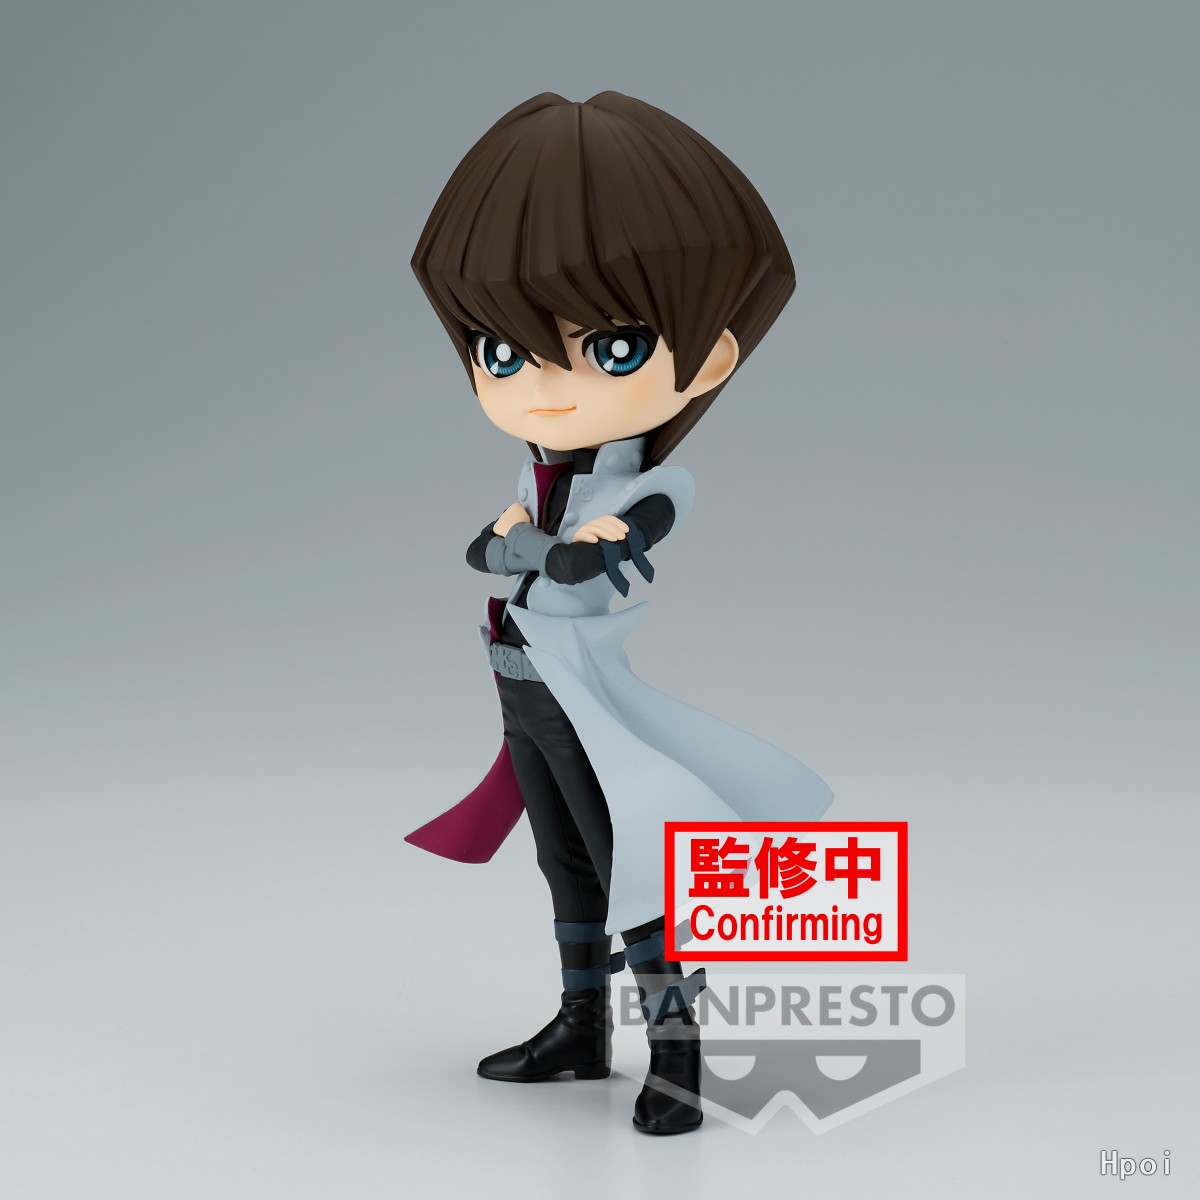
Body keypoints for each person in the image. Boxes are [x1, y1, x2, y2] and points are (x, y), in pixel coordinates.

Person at [405, 92, 832, 1134]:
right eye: (503, 352)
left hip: (587, 705)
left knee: (634, 867)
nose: (544, 386)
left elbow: (571, 557)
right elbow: (490, 551)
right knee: (563, 864)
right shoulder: (538, 475)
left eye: (612, 346)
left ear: (710, 356)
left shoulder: (646, 489)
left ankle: (678, 1057)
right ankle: (580, 1027)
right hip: (522, 691)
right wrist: (530, 545)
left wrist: (537, 546)